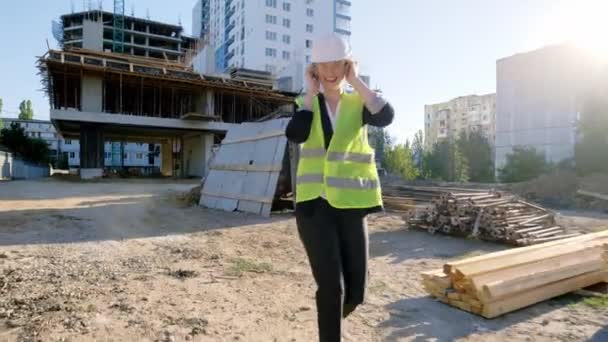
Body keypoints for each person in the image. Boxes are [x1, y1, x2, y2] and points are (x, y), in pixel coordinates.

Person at [285, 34, 394, 342]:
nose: (330, 71)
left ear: (347, 65)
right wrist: (310, 93)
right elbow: (296, 134)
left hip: (350, 205)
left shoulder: (360, 102)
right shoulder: (304, 104)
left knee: (356, 292)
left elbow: (386, 116)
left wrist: (356, 82)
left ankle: (330, 315)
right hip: (314, 207)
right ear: (315, 69)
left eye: (337, 64)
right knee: (332, 287)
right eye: (323, 65)